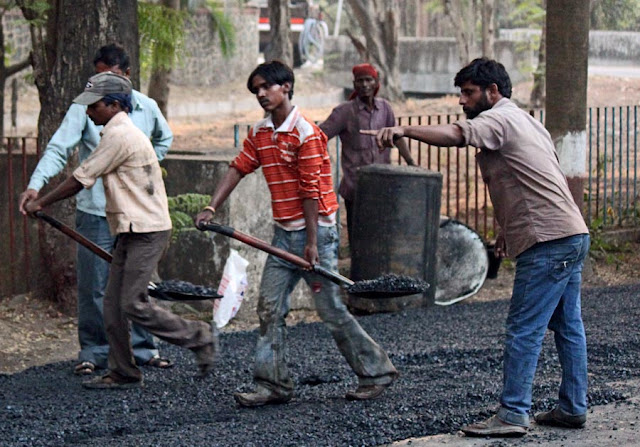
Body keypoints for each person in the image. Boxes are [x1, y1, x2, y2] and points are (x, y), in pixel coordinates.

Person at [363, 58, 590, 437]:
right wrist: (505, 227)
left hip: (549, 241)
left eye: (468, 93)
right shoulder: (528, 122)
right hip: (570, 234)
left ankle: (513, 413)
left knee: (524, 329)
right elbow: (530, 178)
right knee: (568, 326)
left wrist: (404, 129)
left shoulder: (498, 119)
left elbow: (457, 134)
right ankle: (573, 406)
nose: (462, 101)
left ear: (492, 91)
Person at [194, 60, 398, 407]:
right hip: (283, 235)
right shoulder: (261, 133)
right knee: (269, 307)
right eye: (256, 90)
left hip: (315, 233)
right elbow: (238, 167)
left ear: (285, 87)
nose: (260, 94)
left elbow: (310, 191)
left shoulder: (305, 133)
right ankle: (272, 383)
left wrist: (312, 244)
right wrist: (211, 207)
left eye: (266, 87)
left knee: (330, 308)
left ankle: (376, 371)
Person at [23, 72, 215, 389]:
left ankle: (199, 336)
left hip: (148, 232)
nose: (88, 112)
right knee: (112, 306)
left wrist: (41, 202)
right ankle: (124, 371)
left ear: (113, 105)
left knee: (133, 303)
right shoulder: (115, 131)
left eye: (94, 106)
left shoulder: (120, 136)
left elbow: (80, 178)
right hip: (130, 230)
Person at [18, 44, 173, 376]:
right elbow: (60, 147)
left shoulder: (147, 107)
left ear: (126, 77)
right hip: (97, 210)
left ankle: (144, 348)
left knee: (138, 284)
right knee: (95, 285)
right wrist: (36, 185)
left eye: (110, 75)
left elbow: (164, 139)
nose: (103, 82)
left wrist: (141, 169)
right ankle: (94, 350)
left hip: (136, 214)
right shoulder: (86, 107)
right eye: (98, 75)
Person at [319, 63, 416, 247]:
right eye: (360, 81)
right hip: (356, 188)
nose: (364, 85)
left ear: (376, 82)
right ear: (354, 84)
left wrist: (411, 162)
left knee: (384, 236)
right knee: (359, 240)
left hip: (382, 187)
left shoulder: (385, 108)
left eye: (368, 80)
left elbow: (397, 136)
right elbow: (319, 137)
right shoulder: (345, 111)